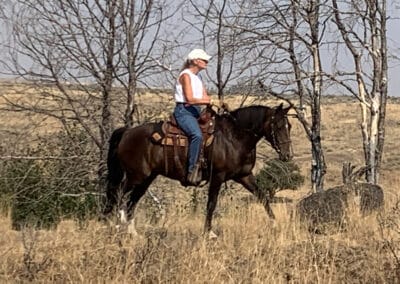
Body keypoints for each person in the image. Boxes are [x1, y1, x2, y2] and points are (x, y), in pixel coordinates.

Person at [173, 48, 212, 186]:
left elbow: (204, 96)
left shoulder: (198, 77)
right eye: (204, 59)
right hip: (184, 111)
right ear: (195, 61)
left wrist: (211, 102)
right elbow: (189, 98)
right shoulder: (186, 75)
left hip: (196, 111)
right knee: (197, 135)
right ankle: (191, 170)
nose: (207, 62)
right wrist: (209, 101)